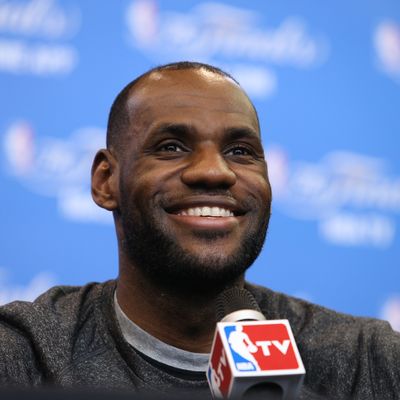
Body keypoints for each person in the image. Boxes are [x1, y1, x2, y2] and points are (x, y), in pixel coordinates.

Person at [0, 61, 399, 400]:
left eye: (240, 151)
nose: (215, 171)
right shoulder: (25, 353)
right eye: (172, 146)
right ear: (106, 180)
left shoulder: (367, 361)